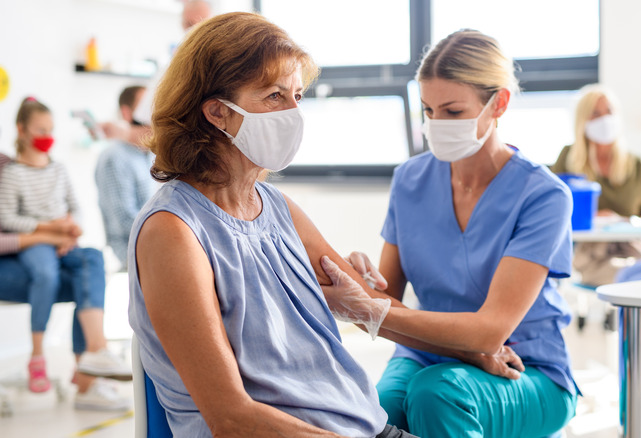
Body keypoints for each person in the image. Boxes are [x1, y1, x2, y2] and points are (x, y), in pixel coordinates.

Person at [129, 12, 453, 437]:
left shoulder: (278, 208)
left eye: (298, 96)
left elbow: (367, 305)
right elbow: (231, 418)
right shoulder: (173, 231)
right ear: (216, 112)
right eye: (274, 96)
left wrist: (477, 352)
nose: (294, 112)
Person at [325, 29, 579, 437]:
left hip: (525, 367)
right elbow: (382, 304)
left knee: (437, 395)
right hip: (425, 354)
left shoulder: (544, 196)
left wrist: (368, 306)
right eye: (428, 110)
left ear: (499, 103)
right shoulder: (410, 180)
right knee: (377, 413)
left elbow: (489, 332)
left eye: (453, 111)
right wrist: (360, 283)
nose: (437, 124)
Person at [0, 143, 130, 409]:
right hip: (11, 264)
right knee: (71, 280)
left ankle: (93, 359)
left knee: (91, 262)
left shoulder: (9, 163)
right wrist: (48, 235)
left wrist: (65, 233)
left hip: (35, 253)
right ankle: (87, 374)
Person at [550, 84, 641, 287]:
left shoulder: (637, 167)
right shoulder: (568, 159)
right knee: (630, 280)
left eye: (609, 112)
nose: (604, 119)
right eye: (595, 113)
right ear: (583, 120)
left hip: (631, 247)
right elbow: (554, 209)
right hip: (588, 253)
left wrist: (621, 221)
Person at [95, 85, 157, 270]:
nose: (152, 112)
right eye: (145, 106)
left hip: (157, 238)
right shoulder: (115, 158)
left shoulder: (150, 154)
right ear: (127, 112)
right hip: (134, 249)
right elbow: (124, 220)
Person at [132, 0, 213, 126]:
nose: (193, 30)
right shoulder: (174, 60)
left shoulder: (212, 62)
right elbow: (147, 118)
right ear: (182, 23)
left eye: (201, 23)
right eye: (189, 24)